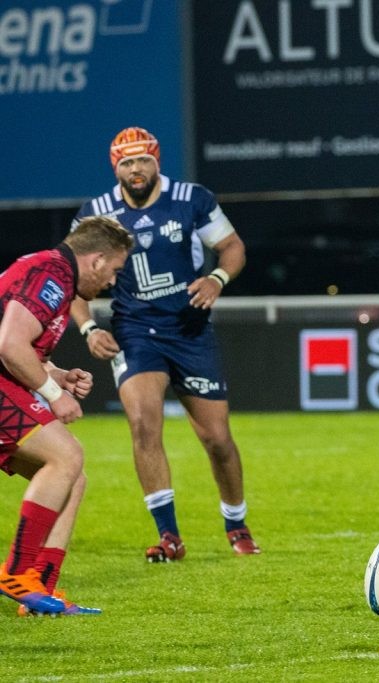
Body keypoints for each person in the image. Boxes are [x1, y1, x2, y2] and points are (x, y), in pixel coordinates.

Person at [69, 127, 260, 561]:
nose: (135, 170)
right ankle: (169, 536)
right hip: (135, 332)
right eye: (126, 162)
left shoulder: (192, 198)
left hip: (189, 329)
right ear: (114, 167)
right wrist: (89, 329)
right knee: (143, 423)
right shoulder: (96, 214)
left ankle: (236, 524)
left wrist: (217, 277)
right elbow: (73, 284)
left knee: (217, 439)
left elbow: (232, 247)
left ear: (158, 162)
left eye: (143, 161)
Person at [0, 215, 133, 615]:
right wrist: (53, 392)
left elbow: (20, 346)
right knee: (67, 456)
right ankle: (18, 574)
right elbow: (8, 344)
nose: (112, 281)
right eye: (114, 270)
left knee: (71, 477)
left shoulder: (50, 272)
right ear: (95, 260)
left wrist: (55, 373)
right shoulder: (51, 274)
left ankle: (40, 591)